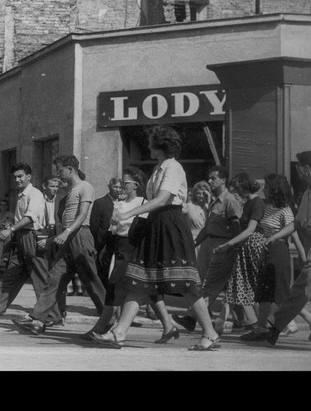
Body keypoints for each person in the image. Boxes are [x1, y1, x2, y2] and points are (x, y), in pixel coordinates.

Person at [91, 125, 219, 350]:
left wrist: (129, 213)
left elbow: (162, 200)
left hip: (170, 226)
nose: (148, 145)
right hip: (156, 225)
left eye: (151, 142)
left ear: (161, 145)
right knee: (139, 281)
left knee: (185, 283)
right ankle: (119, 333)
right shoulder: (160, 167)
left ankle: (210, 333)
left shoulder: (174, 167)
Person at [5, 155, 106, 335]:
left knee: (91, 281)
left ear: (70, 169)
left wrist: (66, 233)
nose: (58, 175)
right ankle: (38, 320)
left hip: (80, 235)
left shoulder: (85, 187)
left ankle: (110, 319)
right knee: (54, 279)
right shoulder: (71, 191)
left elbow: (82, 215)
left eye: (60, 171)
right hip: (68, 238)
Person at [82, 166, 176, 342]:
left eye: (126, 183)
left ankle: (109, 325)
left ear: (136, 185)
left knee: (124, 287)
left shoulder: (143, 203)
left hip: (134, 248)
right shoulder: (119, 203)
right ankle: (169, 326)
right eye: (122, 182)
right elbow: (113, 229)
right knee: (140, 289)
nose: (123, 186)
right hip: (118, 247)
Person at [0, 163, 55, 326]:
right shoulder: (21, 195)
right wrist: (11, 226)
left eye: (20, 176)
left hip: (31, 237)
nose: (17, 180)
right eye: (15, 177)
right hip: (20, 239)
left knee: (40, 277)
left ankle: (50, 315)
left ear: (29, 177)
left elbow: (30, 218)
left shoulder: (35, 194)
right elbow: (21, 219)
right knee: (11, 276)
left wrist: (10, 230)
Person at [173, 165, 241, 334]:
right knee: (218, 286)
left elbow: (237, 227)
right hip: (210, 245)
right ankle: (248, 321)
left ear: (223, 180)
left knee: (210, 286)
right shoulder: (213, 202)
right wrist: (194, 243)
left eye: (213, 178)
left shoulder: (229, 200)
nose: (210, 181)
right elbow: (207, 228)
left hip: (223, 246)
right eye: (209, 178)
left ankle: (192, 318)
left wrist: (231, 247)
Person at [234, 174, 296, 341]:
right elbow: (256, 185)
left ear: (276, 189)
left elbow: (292, 227)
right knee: (263, 294)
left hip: (278, 251)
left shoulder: (285, 209)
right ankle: (260, 329)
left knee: (281, 293)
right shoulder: (267, 206)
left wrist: (275, 237)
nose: (265, 189)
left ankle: (289, 323)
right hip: (266, 250)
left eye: (269, 187)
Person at [266, 151, 311, 345]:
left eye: (300, 166)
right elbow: (298, 223)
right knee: (302, 288)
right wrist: (275, 236)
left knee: (301, 288)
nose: (299, 171)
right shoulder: (308, 192)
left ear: (307, 168)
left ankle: (275, 326)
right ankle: (275, 326)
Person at [212, 172, 265, 334]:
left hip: (253, 246)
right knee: (237, 282)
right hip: (243, 246)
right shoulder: (246, 203)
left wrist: (228, 244)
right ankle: (234, 321)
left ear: (244, 186)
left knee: (251, 285)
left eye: (237, 186)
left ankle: (270, 322)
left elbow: (250, 230)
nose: (234, 189)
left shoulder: (257, 203)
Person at [89, 177, 123, 294]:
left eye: (120, 187)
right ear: (109, 187)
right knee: (104, 269)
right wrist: (97, 244)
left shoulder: (123, 203)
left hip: (118, 241)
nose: (118, 190)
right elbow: (94, 225)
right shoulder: (100, 203)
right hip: (104, 243)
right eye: (115, 187)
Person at [184, 181, 211, 249]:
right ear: (194, 194)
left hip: (207, 242)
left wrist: (209, 202)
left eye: (204, 193)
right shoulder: (189, 206)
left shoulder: (210, 207)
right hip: (192, 240)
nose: (201, 196)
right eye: (198, 193)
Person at [0, 198, 14, 279]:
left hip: (7, 235)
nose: (3, 206)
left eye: (4, 205)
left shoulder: (11, 215)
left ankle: (5, 276)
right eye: (1, 205)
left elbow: (14, 224)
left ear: (7, 206)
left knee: (6, 254)